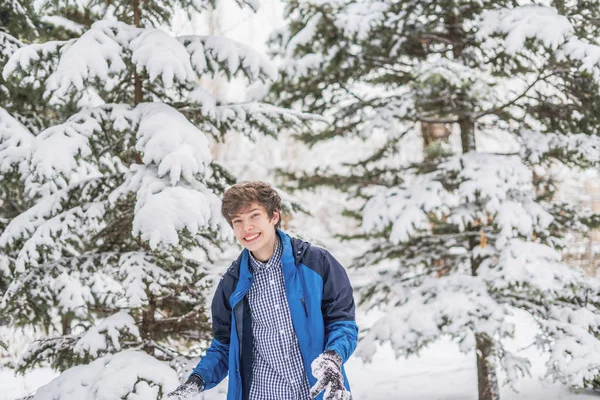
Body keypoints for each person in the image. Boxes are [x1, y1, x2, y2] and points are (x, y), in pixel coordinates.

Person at [166, 181, 358, 400]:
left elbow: (343, 324)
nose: (246, 228)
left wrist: (332, 357)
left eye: (254, 216)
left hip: (317, 392)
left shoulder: (317, 264)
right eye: (238, 221)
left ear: (274, 216)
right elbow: (223, 346)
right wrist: (195, 382)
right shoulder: (231, 285)